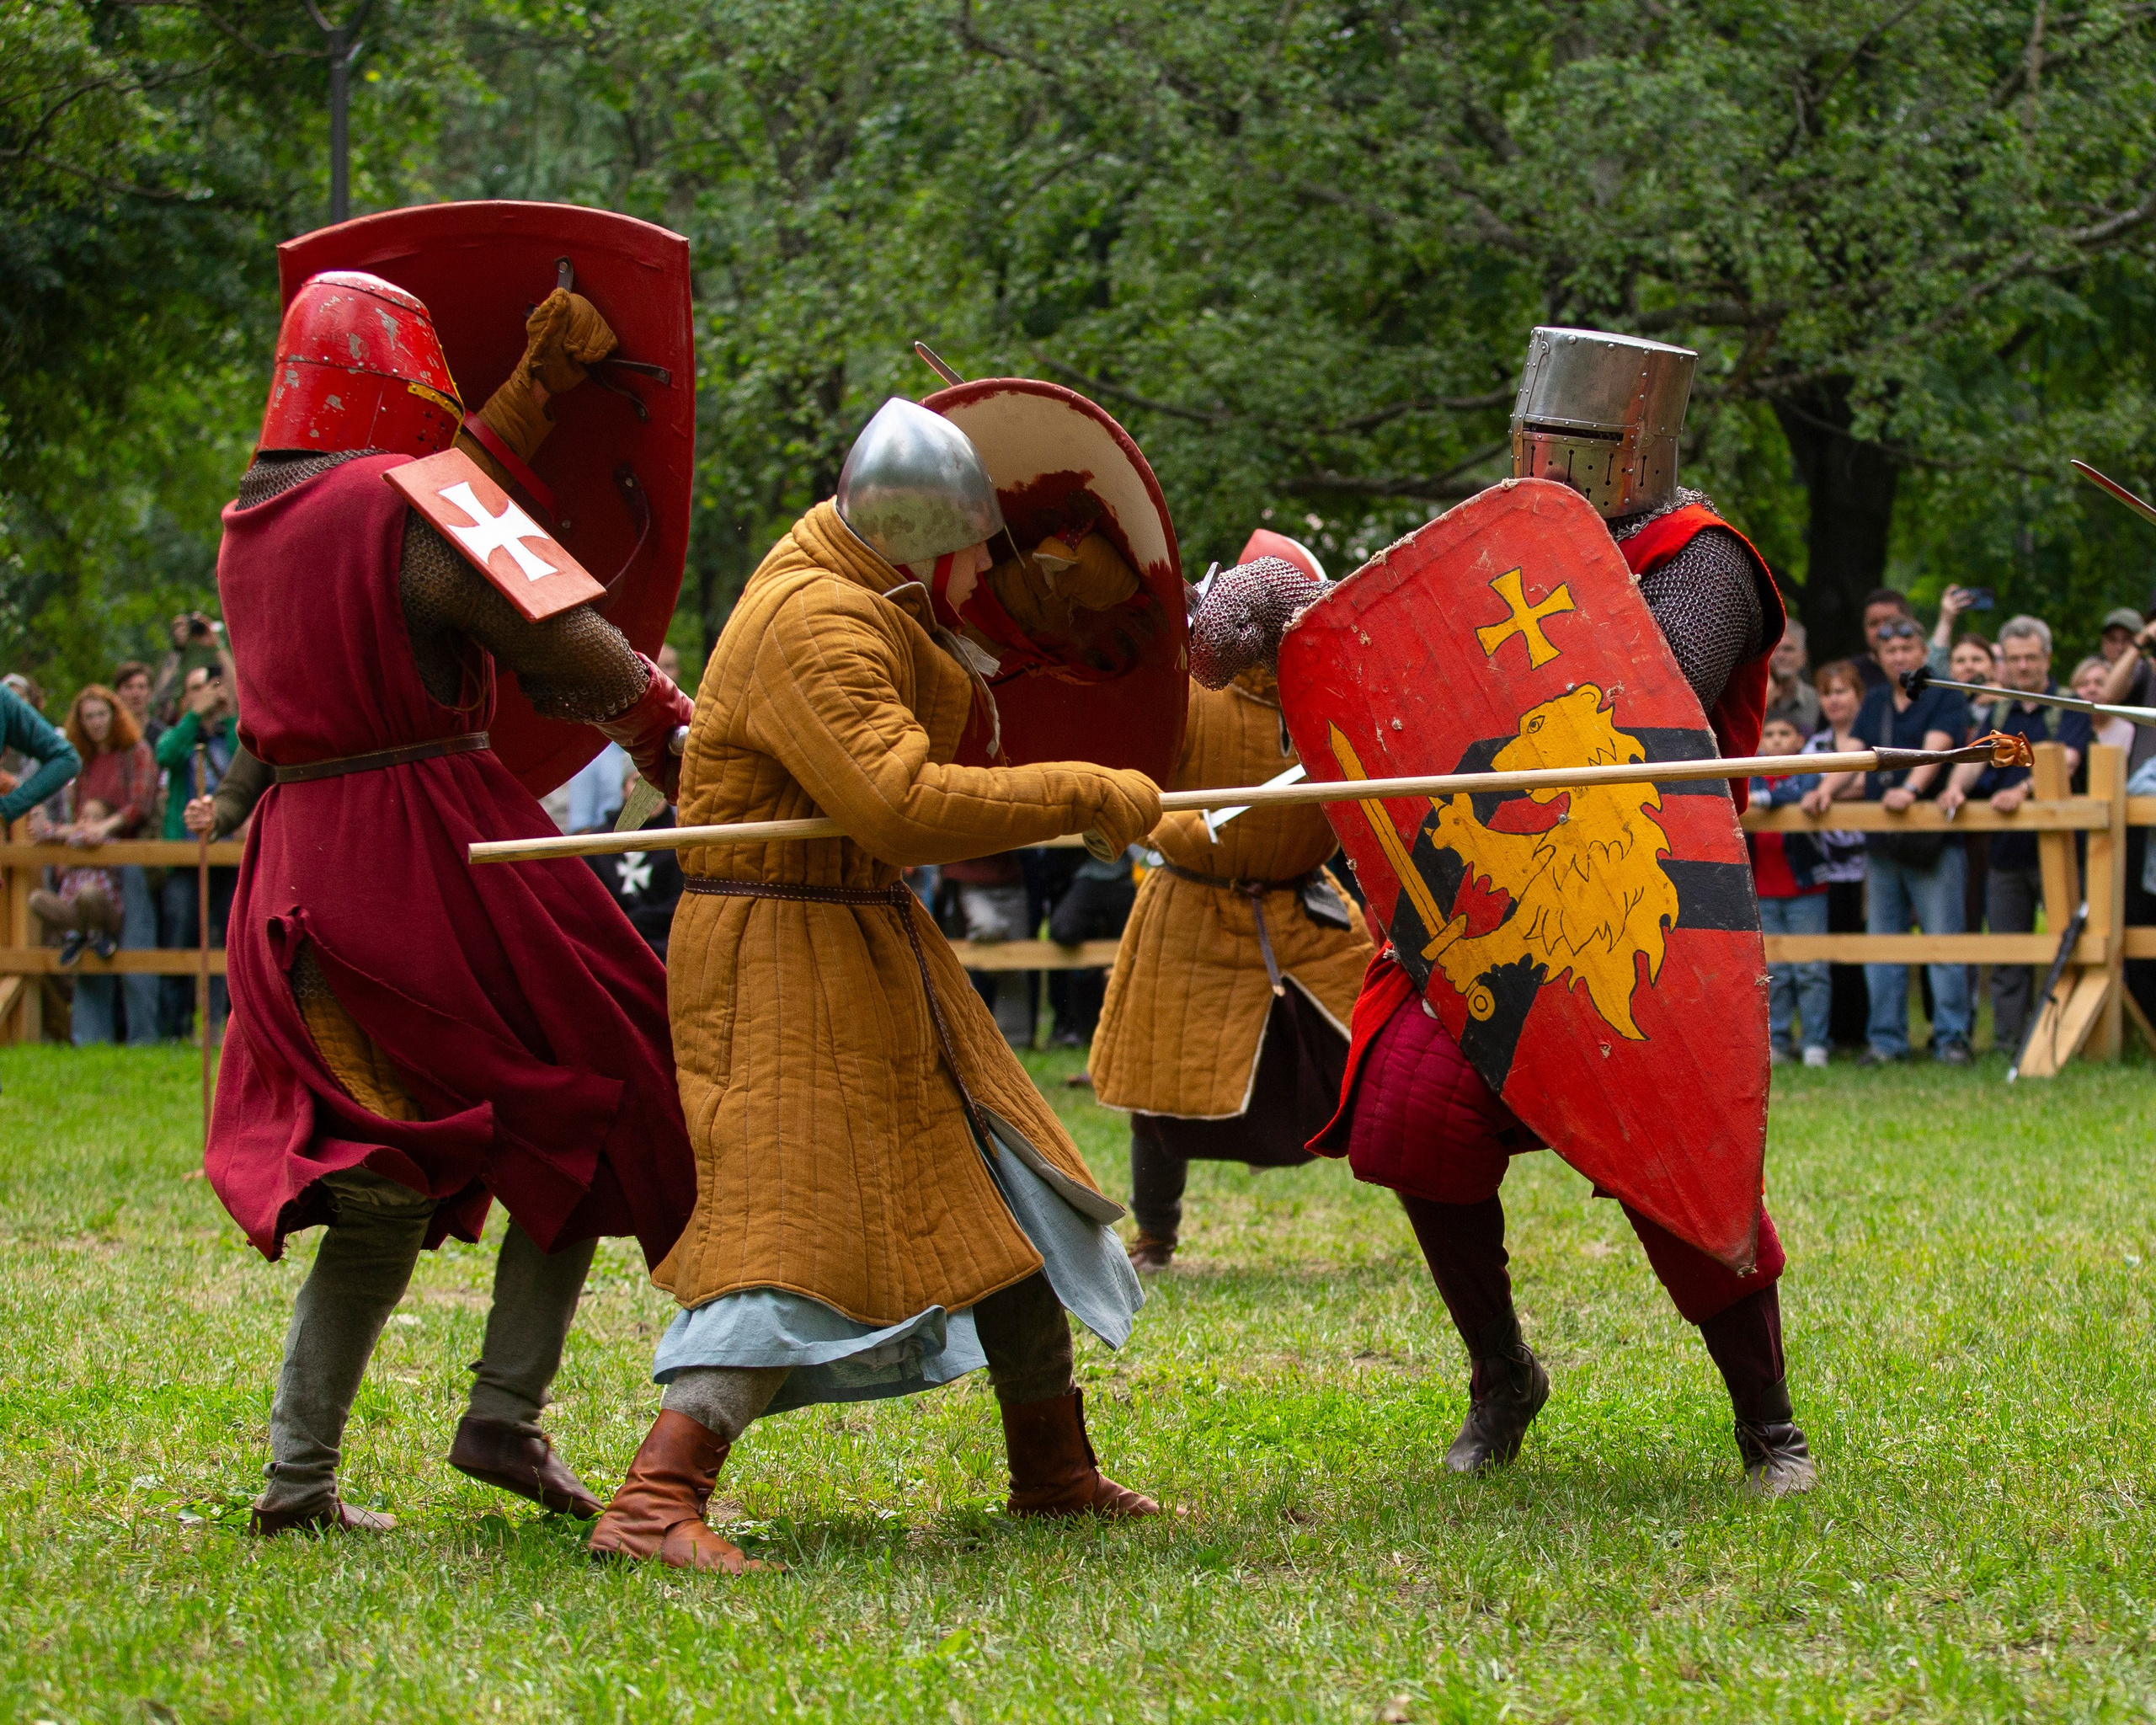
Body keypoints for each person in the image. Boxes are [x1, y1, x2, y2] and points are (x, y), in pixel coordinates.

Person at [1193, 329, 1812, 1495]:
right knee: (1408, 1123)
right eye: (1540, 442)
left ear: (1636, 447)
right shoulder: (1498, 552)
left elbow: (1645, 691)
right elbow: (1412, 676)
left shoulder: (1704, 560)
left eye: (1576, 446)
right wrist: (1303, 622)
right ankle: (1501, 1373)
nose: (1552, 463)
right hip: (1480, 898)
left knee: (1669, 1153)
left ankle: (1767, 1423)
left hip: (1633, 905)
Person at [590, 397, 1165, 1573]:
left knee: (1007, 1195)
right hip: (782, 952)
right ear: (926, 529)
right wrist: (1081, 793)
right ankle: (654, 1499)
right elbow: (897, 803)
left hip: (859, 934)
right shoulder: (816, 618)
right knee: (792, 1232)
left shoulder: (863, 593)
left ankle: (1052, 1471)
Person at [194, 267, 697, 1539]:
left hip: (299, 874)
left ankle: (299, 1485)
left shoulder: (251, 523)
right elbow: (568, 648)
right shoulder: (403, 501)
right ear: (399, 380)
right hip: (425, 855)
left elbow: (272, 718)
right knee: (613, 1086)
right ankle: (501, 1415)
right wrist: (669, 735)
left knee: (379, 1178)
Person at [1087, 531, 1374, 1274]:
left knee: (1385, 1057)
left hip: (1302, 902)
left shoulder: (1334, 693)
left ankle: (1435, 1210)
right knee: (1158, 1082)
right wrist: (1175, 827)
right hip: (1191, 906)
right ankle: (1155, 1238)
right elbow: (1128, 787)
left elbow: (1372, 809)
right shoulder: (1182, 692)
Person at [1933, 617, 2089, 1057]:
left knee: (2067, 950)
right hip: (2005, 852)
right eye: (2015, 658)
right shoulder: (1999, 711)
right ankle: (2008, 1043)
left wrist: (2020, 789)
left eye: (2031, 658)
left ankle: (2060, 1042)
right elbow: (1977, 756)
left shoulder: (2070, 705)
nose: (2023, 667)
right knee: (2006, 951)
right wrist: (1955, 787)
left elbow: (2068, 761)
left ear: (2048, 659)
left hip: (2060, 850)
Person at [1852, 617, 1974, 1064]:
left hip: (1933, 843)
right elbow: (1853, 754)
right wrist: (1823, 790)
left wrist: (1912, 790)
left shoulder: (1944, 694)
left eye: (1907, 648)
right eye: (1890, 651)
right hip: (1883, 843)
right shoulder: (1876, 702)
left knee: (1945, 943)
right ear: (1879, 658)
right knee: (1881, 945)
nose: (1899, 657)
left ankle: (1952, 1039)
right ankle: (1885, 1042)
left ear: (1923, 652)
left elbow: (1936, 752)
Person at [41, 685, 158, 1042]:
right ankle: (90, 1038)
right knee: (91, 942)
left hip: (129, 857)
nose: (95, 722)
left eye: (101, 714)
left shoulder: (135, 752)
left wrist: (105, 829)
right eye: (88, 716)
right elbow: (77, 811)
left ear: (114, 715)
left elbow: (141, 805)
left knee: (137, 951)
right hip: (88, 863)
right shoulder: (84, 761)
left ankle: (144, 1039)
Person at [154, 664, 242, 1039]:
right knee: (179, 937)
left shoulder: (232, 736)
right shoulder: (181, 735)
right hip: (185, 855)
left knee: (233, 942)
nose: (206, 692)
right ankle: (175, 1029)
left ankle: (229, 1028)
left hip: (229, 853)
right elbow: (165, 754)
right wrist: (195, 714)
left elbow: (252, 762)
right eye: (196, 687)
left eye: (211, 686)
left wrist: (229, 709)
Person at [1748, 715, 1832, 1066]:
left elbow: (1799, 793)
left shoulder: (1809, 771)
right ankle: (1778, 1041)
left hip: (1806, 885)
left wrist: (1766, 799)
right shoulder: (1749, 773)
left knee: (1811, 969)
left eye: (1785, 733)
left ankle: (1815, 1042)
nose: (1778, 740)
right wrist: (1764, 796)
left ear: (1800, 741)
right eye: (1770, 734)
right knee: (1774, 971)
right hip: (1762, 888)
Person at [1800, 660, 1872, 1053]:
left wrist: (1828, 792)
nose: (1834, 700)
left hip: (1866, 861)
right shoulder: (1815, 746)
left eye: (1842, 691)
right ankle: (1838, 1034)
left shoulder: (1872, 738)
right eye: (1827, 693)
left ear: (1859, 696)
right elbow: (1802, 789)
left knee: (1865, 945)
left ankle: (1864, 1032)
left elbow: (1870, 784)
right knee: (1831, 950)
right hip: (1826, 864)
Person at [585, 761, 683, 958]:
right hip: (609, 947)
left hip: (670, 946)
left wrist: (638, 921)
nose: (648, 794)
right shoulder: (596, 843)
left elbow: (684, 903)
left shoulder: (684, 840)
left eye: (657, 784)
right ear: (623, 789)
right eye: (638, 781)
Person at [1763, 618, 1821, 735]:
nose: (1781, 655)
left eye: (1788, 649)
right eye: (1775, 649)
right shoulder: (1753, 700)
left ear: (1803, 658)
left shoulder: (1817, 700)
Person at [1857, 588, 1918, 691]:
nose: (1881, 630)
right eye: (1873, 623)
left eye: (1890, 621)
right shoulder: (1851, 673)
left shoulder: (1928, 670)